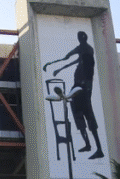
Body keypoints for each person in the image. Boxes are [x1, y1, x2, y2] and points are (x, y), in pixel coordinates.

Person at [43, 30, 104, 159]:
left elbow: (75, 59)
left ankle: (98, 149)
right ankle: (88, 144)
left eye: (79, 39)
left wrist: (63, 63)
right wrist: (60, 68)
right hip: (78, 87)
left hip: (82, 88)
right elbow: (71, 59)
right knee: (78, 114)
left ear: (82, 40)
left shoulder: (87, 53)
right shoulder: (83, 53)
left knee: (88, 115)